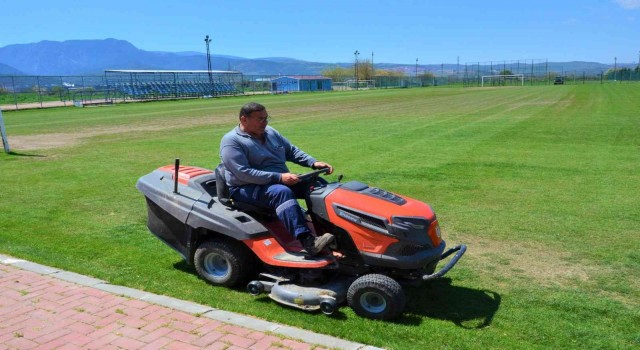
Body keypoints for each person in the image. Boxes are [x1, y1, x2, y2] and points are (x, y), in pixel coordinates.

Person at [219, 102, 335, 256]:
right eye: (260, 119)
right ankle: (308, 242)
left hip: (278, 180)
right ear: (244, 119)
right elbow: (243, 173)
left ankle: (333, 230)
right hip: (245, 188)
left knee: (318, 185)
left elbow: (291, 151)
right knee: (281, 192)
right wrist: (279, 177)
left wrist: (312, 162)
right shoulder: (231, 141)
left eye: (266, 118)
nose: (265, 122)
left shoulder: (271, 133)